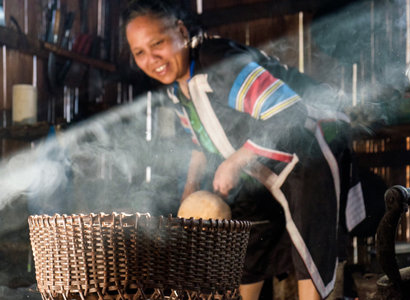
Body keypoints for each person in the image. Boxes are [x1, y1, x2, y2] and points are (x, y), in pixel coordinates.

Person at [123, 1, 366, 299]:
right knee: (250, 239)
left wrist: (236, 161)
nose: (152, 59)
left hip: (312, 141)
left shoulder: (219, 64)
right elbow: (200, 142)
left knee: (309, 240)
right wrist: (190, 187)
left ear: (181, 31)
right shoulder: (177, 89)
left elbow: (289, 110)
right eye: (139, 53)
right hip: (265, 164)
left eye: (157, 43)